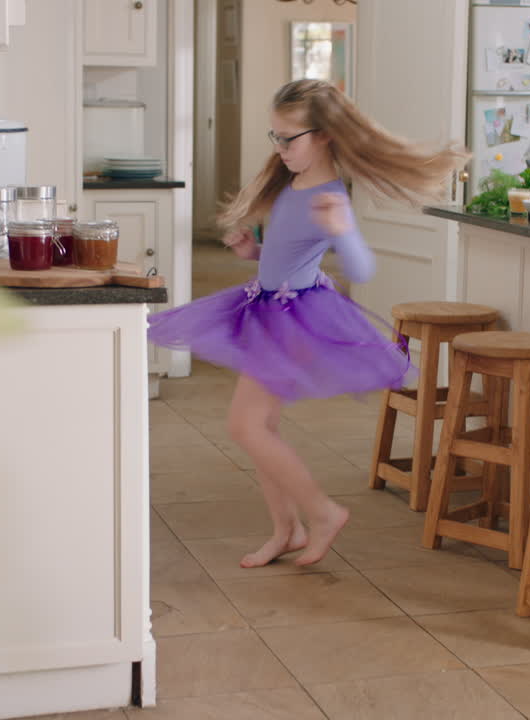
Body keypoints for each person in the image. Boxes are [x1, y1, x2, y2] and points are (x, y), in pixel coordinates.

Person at [148, 79, 469, 567]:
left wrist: (342, 230)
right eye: (273, 137)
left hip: (292, 319)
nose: (278, 149)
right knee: (261, 427)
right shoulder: (291, 183)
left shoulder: (330, 196)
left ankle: (321, 514)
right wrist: (252, 252)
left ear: (324, 136)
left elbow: (361, 270)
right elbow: (283, 256)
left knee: (245, 426)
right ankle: (287, 529)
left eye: (288, 139)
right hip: (266, 306)